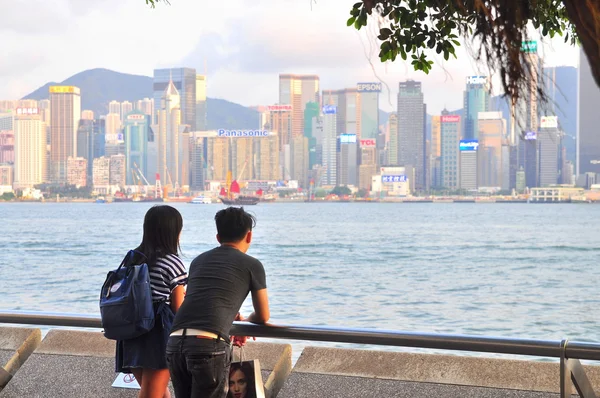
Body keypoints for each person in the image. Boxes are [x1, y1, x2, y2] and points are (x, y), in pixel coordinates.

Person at [166, 206, 270, 398]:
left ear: (218, 237)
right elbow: (263, 316)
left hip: (175, 342)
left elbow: (204, 298)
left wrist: (231, 316)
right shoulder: (252, 265)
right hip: (207, 346)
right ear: (249, 236)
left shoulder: (198, 261)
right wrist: (246, 320)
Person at [116, 205, 188, 398]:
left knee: (161, 394)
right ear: (173, 232)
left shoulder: (133, 258)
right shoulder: (173, 262)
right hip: (157, 334)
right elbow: (179, 307)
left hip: (131, 332)